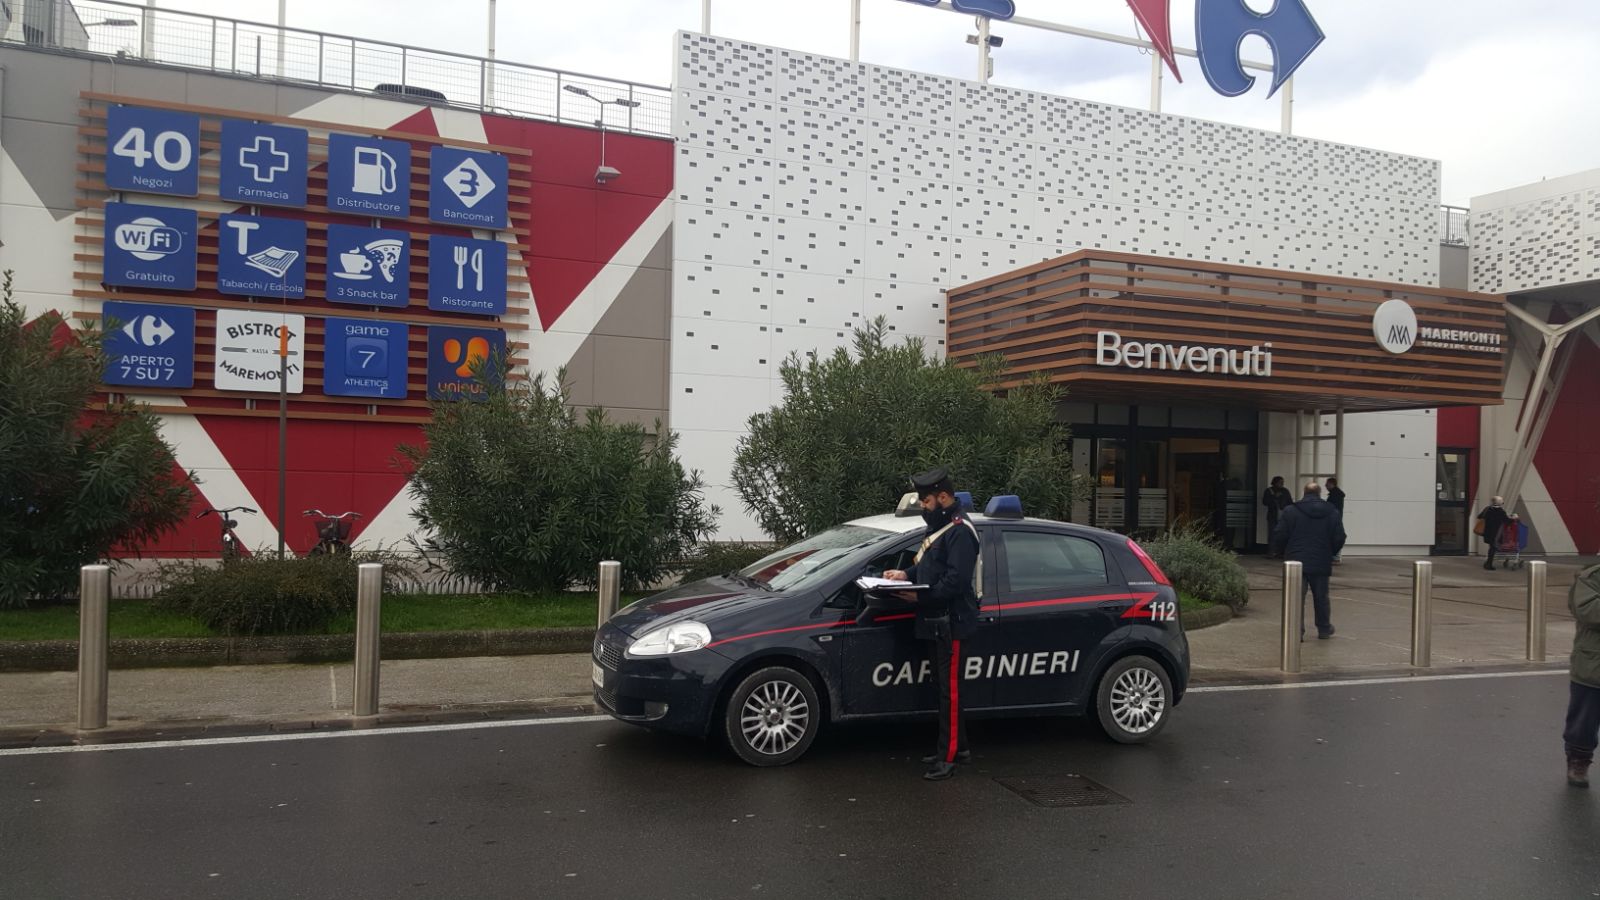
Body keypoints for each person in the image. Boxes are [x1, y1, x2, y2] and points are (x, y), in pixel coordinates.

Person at [882, 467, 981, 781]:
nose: (924, 509)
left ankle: (948, 757)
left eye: (926, 503)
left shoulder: (960, 531)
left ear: (942, 497)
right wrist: (904, 577)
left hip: (951, 623)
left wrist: (919, 598)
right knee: (943, 689)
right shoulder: (940, 527)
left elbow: (955, 581)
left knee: (949, 694)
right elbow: (928, 566)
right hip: (936, 621)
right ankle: (957, 747)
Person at [1270, 480, 1346, 640]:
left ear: (1304, 493)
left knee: (1296, 597)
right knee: (1321, 597)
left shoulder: (1291, 510)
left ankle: (1297, 631)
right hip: (1321, 560)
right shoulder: (1332, 511)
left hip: (1296, 561)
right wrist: (1330, 552)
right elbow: (1339, 536)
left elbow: (1280, 534)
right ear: (1319, 493)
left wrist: (1283, 552)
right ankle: (1324, 628)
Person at [1565, 564, 1600, 788]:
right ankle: (1578, 760)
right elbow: (1588, 610)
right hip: (1594, 664)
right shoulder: (1591, 576)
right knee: (1583, 723)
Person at [1476, 496, 1511, 571]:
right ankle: (1489, 564)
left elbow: (1479, 516)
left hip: (1487, 532)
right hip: (1496, 533)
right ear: (1500, 503)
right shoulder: (1501, 511)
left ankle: (1488, 563)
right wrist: (1513, 518)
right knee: (1493, 548)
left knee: (1491, 547)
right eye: (1502, 501)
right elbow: (1507, 521)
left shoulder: (1487, 509)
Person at [1262, 476, 1293, 556]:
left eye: (1282, 482)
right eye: (1280, 482)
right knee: (1272, 533)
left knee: (1282, 534)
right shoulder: (1269, 491)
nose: (1282, 484)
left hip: (1283, 515)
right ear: (1275, 483)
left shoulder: (1285, 491)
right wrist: (1275, 497)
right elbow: (1265, 502)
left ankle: (1280, 551)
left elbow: (1290, 502)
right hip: (1273, 515)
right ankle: (1271, 551)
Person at [1326, 477, 1346, 563]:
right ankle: (1335, 556)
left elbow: (1331, 507)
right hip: (1336, 518)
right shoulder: (1337, 494)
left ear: (1331, 484)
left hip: (1333, 518)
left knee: (1334, 536)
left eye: (1327, 484)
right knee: (1336, 536)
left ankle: (1336, 556)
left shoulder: (1334, 495)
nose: (1325, 486)